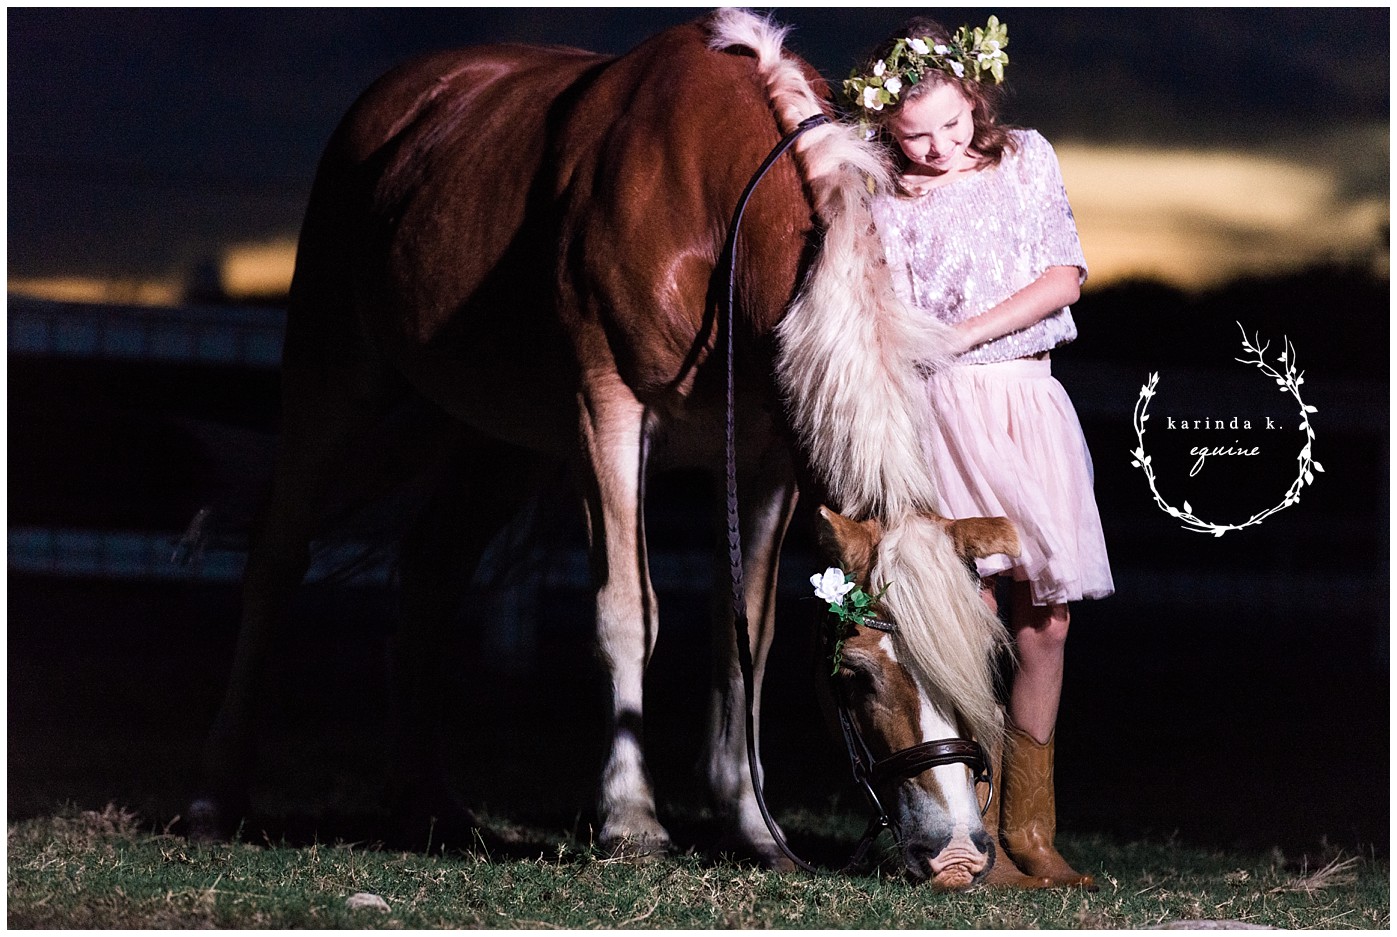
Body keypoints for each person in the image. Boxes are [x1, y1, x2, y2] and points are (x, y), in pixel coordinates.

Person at [846, 15, 1114, 889]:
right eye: (913, 135)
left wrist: (960, 334)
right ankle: (978, 831)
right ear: (886, 129)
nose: (935, 147)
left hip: (1025, 399)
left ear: (977, 101)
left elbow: (1061, 277)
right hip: (940, 410)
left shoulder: (1026, 157)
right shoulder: (883, 194)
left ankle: (1034, 828)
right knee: (970, 613)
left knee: (1049, 618)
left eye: (953, 126)